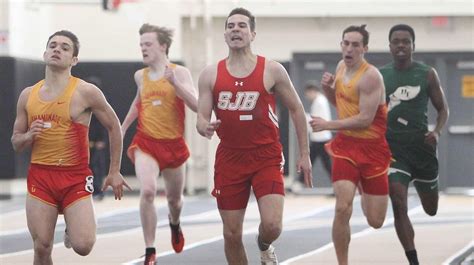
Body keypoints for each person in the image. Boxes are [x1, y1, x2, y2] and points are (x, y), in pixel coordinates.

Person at [196, 7, 312, 265]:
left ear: (253, 33)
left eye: (241, 25)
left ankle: (264, 245)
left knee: (272, 225)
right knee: (231, 233)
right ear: (225, 35)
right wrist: (203, 126)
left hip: (266, 155)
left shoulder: (272, 70)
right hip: (230, 157)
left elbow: (297, 109)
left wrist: (304, 154)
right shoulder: (210, 74)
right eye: (230, 26)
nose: (235, 29)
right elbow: (201, 118)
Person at [10, 30, 130, 264]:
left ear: (74, 60)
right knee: (42, 247)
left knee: (83, 246)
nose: (57, 49)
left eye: (65, 47)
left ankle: (72, 228)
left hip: (74, 176)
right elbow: (16, 143)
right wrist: (28, 136)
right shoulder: (27, 95)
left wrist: (114, 170)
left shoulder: (85, 92)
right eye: (53, 45)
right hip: (41, 176)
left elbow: (114, 126)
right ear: (45, 52)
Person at [310, 25, 391, 265]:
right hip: (346, 147)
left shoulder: (371, 76)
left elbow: (364, 119)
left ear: (364, 48)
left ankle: (365, 189)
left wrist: (327, 124)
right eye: (346, 43)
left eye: (355, 45)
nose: (349, 48)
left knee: (375, 221)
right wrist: (327, 90)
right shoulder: (340, 67)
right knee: (342, 207)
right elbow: (343, 105)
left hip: (373, 150)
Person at [121, 23, 198, 264]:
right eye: (141, 45)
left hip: (173, 145)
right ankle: (150, 250)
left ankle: (174, 223)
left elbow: (196, 105)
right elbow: (137, 103)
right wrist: (121, 129)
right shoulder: (140, 76)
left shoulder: (180, 72)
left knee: (174, 200)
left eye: (148, 44)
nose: (143, 49)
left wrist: (175, 83)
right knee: (148, 191)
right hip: (146, 143)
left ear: (163, 46)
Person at [380, 24, 449, 265]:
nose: (401, 45)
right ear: (389, 46)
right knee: (398, 202)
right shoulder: (381, 75)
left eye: (405, 41)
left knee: (431, 209)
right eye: (396, 41)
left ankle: (428, 187)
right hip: (394, 151)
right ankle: (413, 260)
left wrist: (437, 133)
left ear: (413, 46)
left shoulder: (427, 73)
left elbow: (443, 110)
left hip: (422, 150)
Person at [294, 81, 333, 191]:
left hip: (321, 138)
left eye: (307, 94)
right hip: (320, 137)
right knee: (319, 161)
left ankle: (299, 183)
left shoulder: (319, 102)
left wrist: (303, 118)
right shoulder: (320, 101)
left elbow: (315, 120)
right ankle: (300, 182)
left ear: (312, 91)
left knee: (322, 162)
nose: (307, 97)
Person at [89, 114, 108, 201]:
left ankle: (98, 191)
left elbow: (105, 124)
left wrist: (102, 140)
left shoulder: (97, 108)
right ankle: (88, 190)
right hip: (84, 143)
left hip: (96, 143)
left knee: (96, 168)